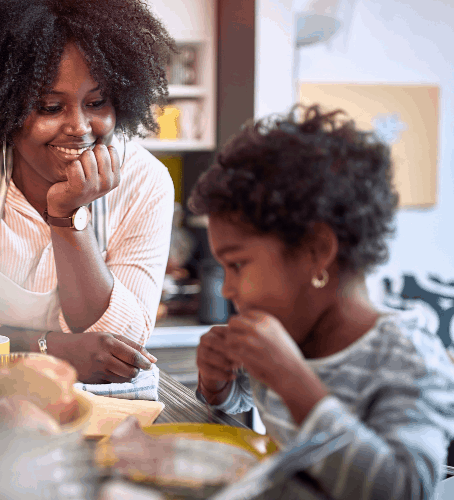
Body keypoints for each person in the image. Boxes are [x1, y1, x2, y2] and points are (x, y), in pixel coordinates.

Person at [0, 0, 176, 384]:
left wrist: (67, 219)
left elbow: (124, 342)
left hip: (100, 410)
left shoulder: (144, 181)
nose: (80, 127)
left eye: (96, 103)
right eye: (50, 107)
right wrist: (52, 348)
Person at [189, 105, 454, 499]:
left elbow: (404, 490)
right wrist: (219, 386)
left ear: (316, 251)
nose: (227, 289)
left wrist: (296, 382)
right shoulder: (290, 332)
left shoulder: (410, 360)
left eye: (237, 264)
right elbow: (239, 420)